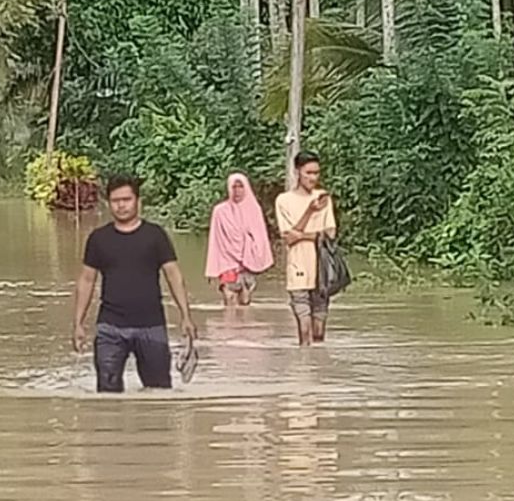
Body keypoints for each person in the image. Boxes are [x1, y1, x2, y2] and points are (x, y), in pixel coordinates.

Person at [72, 175, 198, 391]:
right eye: (115, 201)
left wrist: (186, 316)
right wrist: (78, 323)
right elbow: (86, 280)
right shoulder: (98, 239)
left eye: (126, 199)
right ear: (108, 203)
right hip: (109, 328)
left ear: (138, 201)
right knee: (107, 396)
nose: (121, 205)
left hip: (151, 326)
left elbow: (174, 276)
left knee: (158, 393)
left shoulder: (155, 236)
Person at [275, 151, 337, 346]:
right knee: (305, 331)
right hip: (298, 272)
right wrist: (309, 211)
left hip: (322, 273)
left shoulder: (324, 198)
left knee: (319, 333)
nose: (313, 178)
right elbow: (288, 238)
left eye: (316, 173)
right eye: (308, 173)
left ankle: (318, 371)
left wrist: (302, 235)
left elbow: (330, 234)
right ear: (297, 172)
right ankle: (304, 371)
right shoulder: (283, 200)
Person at [205, 171, 274, 307]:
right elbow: (215, 241)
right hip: (227, 264)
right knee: (230, 303)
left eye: (240, 186)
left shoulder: (254, 210)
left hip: (248, 264)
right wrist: (213, 268)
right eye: (234, 187)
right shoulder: (220, 211)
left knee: (245, 304)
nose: (237, 191)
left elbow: (261, 239)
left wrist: (256, 258)